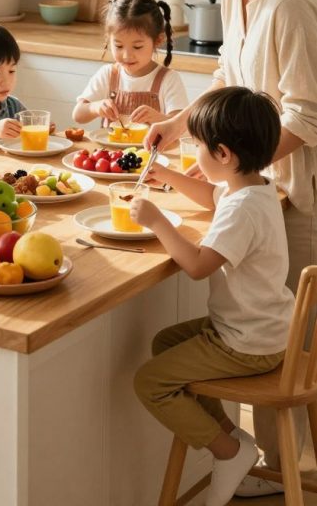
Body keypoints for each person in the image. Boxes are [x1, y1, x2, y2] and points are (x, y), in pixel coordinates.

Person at [144, 0, 317, 495]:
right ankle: (256, 465)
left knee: (282, 348)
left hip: (294, 193)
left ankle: (284, 475)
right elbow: (226, 75)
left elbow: (305, 114)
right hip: (259, 182)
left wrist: (237, 163)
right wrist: (176, 122)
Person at [134, 87, 294, 506]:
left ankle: (228, 450)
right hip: (263, 328)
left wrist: (156, 223)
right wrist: (167, 176)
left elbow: (199, 266)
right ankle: (231, 437)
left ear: (223, 154)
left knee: (150, 382)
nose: (196, 152)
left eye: (199, 145)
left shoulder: (243, 211)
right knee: (164, 344)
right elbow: (211, 196)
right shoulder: (253, 187)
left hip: (247, 343)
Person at [72, 0, 188, 126]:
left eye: (137, 47)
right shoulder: (108, 74)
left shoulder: (169, 79)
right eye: (119, 46)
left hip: (152, 148)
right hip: (111, 147)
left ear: (158, 40)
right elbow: (78, 115)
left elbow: (183, 126)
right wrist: (96, 107)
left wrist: (158, 118)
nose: (127, 55)